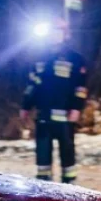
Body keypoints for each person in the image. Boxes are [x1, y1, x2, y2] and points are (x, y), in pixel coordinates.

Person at [20, 19, 87, 183]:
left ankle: (69, 182)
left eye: (58, 32)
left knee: (67, 149)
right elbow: (32, 85)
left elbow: (80, 87)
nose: (54, 36)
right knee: (42, 151)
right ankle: (44, 182)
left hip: (65, 115)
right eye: (51, 32)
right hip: (43, 114)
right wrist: (25, 106)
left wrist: (76, 108)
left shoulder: (75, 58)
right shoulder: (39, 59)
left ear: (65, 34)